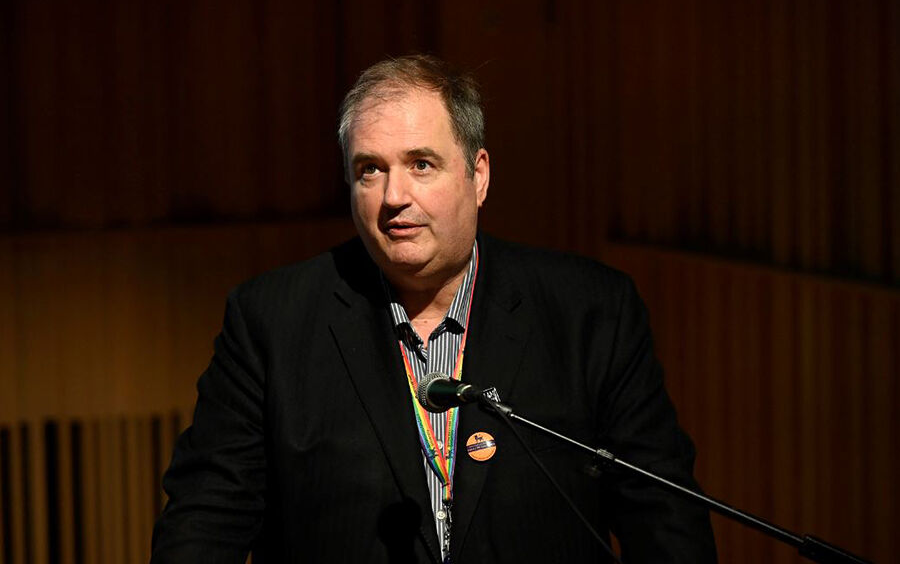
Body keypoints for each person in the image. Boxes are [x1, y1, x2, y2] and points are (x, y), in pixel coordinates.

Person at [151, 55, 716, 563]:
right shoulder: (271, 322)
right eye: (370, 170)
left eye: (421, 164)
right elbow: (204, 522)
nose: (394, 196)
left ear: (479, 175)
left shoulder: (589, 311)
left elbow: (666, 521)